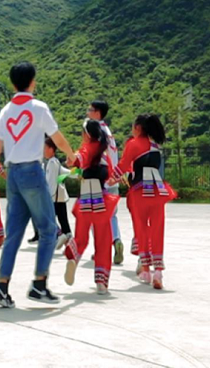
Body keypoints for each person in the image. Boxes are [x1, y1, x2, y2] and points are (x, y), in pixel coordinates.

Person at [0, 62, 75, 307]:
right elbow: (57, 137)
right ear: (32, 81)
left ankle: (1, 285)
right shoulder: (39, 108)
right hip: (32, 171)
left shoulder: (6, 111)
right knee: (48, 230)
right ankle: (39, 284)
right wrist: (71, 154)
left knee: (13, 232)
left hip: (12, 174)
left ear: (13, 84)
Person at [108, 114, 176, 290]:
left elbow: (124, 165)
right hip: (158, 191)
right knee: (157, 228)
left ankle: (145, 269)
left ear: (138, 128)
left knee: (141, 229)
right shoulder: (156, 145)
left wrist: (111, 179)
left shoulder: (133, 143)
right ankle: (158, 271)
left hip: (140, 192)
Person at [63, 120, 120, 295]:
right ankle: (101, 283)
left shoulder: (87, 148)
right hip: (102, 200)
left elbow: (76, 160)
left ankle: (74, 258)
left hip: (86, 200)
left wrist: (70, 158)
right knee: (103, 239)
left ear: (87, 135)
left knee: (81, 237)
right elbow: (112, 177)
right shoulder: (104, 153)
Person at [88, 100, 124, 265]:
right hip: (113, 178)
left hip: (100, 178)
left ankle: (101, 250)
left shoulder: (95, 131)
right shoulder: (108, 132)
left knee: (94, 215)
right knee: (111, 215)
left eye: (90, 110)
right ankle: (116, 240)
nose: (88, 112)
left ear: (97, 113)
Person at [43, 138, 74, 249]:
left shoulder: (52, 163)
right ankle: (70, 243)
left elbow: (51, 183)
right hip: (60, 197)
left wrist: (47, 198)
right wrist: (79, 173)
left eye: (45, 148)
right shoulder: (55, 162)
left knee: (46, 219)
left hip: (54, 198)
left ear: (51, 149)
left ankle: (60, 235)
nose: (43, 150)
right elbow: (67, 173)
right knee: (64, 221)